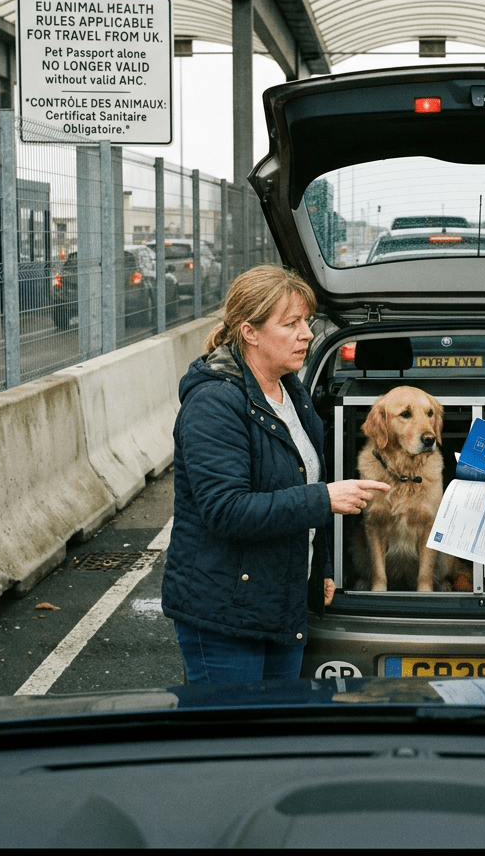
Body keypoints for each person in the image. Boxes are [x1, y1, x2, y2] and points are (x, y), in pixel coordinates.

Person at [161, 264, 389, 682]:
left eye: (307, 321)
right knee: (235, 741)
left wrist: (319, 568)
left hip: (282, 604)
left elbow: (299, 482)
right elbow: (226, 510)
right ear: (250, 332)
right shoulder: (214, 404)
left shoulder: (291, 392)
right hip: (226, 613)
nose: (307, 334)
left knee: (273, 734)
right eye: (292, 324)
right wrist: (325, 499)